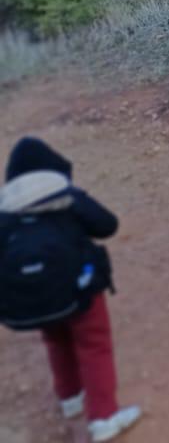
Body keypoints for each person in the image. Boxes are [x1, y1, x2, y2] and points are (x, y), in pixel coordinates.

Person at [1, 137, 141, 441]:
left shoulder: (5, 209)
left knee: (56, 340)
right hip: (80, 289)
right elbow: (107, 225)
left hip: (37, 298)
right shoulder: (66, 196)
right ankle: (104, 417)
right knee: (94, 345)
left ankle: (70, 398)